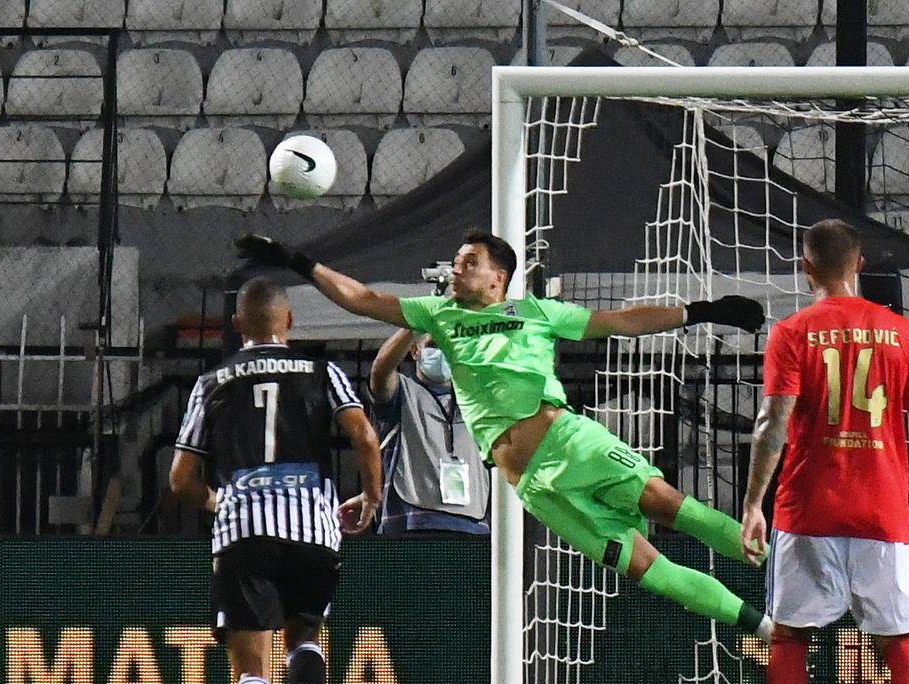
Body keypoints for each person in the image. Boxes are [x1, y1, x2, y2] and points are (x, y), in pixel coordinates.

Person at [234, 228, 775, 646]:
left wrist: (699, 312)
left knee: (670, 506)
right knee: (649, 570)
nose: (457, 268)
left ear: (499, 277)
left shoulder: (534, 312)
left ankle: (784, 565)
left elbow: (620, 322)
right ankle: (767, 628)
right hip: (535, 488)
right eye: (457, 261)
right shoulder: (440, 314)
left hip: (573, 444)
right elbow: (361, 298)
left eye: (469, 262)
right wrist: (295, 259)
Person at [739, 219, 909, 684]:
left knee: (790, 640)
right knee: (901, 640)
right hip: (882, 510)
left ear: (806, 268)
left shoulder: (792, 333)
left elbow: (773, 423)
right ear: (859, 265)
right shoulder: (900, 331)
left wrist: (753, 503)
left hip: (809, 511)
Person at [169, 276, 382, 684]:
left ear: (237, 324)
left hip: (244, 528)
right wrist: (371, 497)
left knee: (249, 664)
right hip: (313, 526)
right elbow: (364, 435)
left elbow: (181, 479)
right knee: (304, 636)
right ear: (289, 321)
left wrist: (219, 502)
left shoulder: (212, 382)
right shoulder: (322, 371)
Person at [369, 327, 490, 535]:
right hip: (412, 525)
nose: (443, 352)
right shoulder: (401, 392)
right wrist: (415, 321)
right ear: (415, 351)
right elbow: (380, 371)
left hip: (473, 527)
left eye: (450, 345)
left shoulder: (477, 400)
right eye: (433, 345)